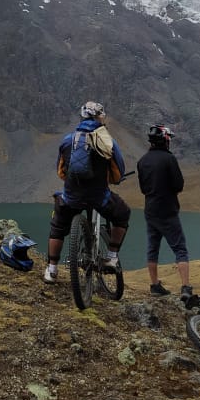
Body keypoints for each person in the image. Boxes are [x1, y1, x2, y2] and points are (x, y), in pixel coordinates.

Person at [43, 101, 132, 284]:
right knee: (123, 213)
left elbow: (61, 172)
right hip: (99, 198)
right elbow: (117, 174)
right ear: (101, 117)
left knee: (58, 227)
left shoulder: (68, 140)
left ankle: (51, 270)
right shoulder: (107, 141)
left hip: (71, 197)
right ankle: (112, 256)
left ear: (82, 117)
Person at [136, 124, 193, 299]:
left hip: (150, 210)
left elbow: (144, 189)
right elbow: (178, 185)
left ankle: (154, 285)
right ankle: (185, 287)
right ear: (165, 140)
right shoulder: (169, 159)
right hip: (168, 210)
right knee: (180, 248)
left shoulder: (142, 161)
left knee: (152, 248)